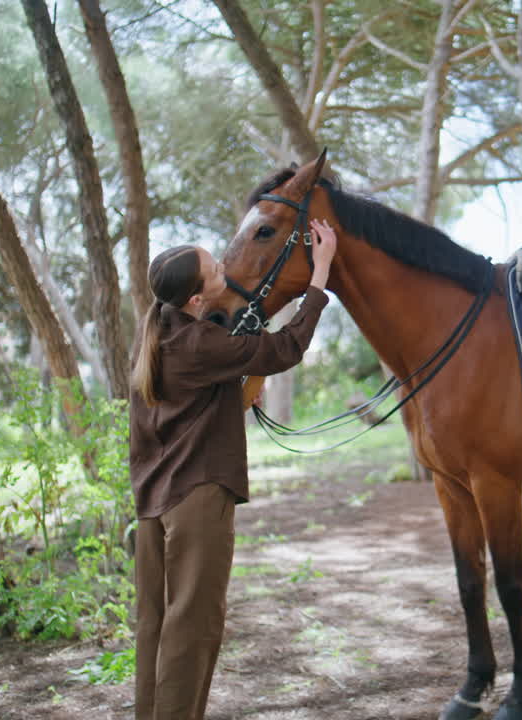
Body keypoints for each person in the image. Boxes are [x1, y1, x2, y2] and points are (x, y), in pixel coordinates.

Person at [127, 219, 337, 719]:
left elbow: (184, 413)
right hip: (198, 499)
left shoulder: (155, 331)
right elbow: (287, 348)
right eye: (214, 268)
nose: (223, 265)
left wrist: (232, 396)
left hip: (156, 500)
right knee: (193, 629)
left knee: (156, 626)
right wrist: (319, 273)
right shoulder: (200, 344)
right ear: (197, 300)